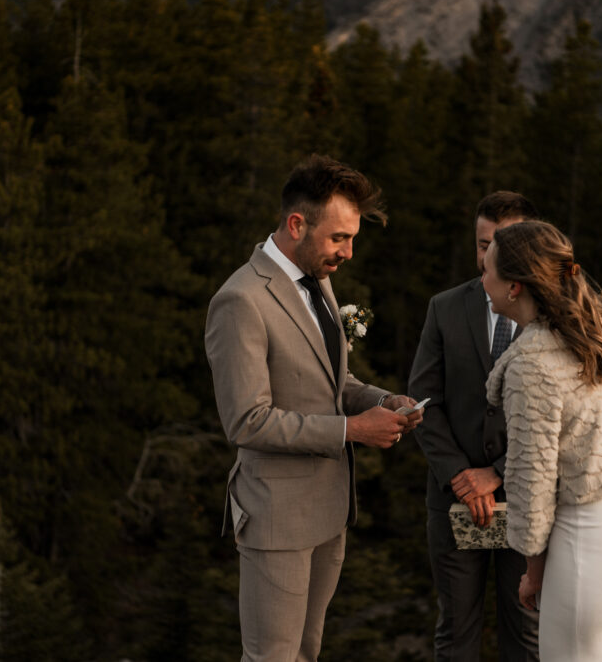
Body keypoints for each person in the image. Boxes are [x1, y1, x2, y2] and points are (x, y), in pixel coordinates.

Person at [205, 154, 423, 662]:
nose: (347, 253)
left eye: (352, 239)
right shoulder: (240, 300)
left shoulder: (317, 277)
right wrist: (352, 430)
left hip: (329, 509)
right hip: (277, 518)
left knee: (307, 653)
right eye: (338, 238)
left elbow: (332, 380)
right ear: (296, 224)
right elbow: (246, 421)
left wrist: (383, 401)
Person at [481, 220, 602, 661]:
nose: (481, 278)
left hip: (588, 550)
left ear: (515, 288)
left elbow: (531, 479)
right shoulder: (600, 333)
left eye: (488, 269)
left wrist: (532, 570)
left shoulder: (530, 366)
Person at [408, 191, 542, 661]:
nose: (488, 257)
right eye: (481, 244)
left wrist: (498, 472)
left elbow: (556, 418)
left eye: (499, 246)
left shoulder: (551, 317)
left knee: (526, 634)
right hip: (453, 499)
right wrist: (463, 479)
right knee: (455, 636)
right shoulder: (445, 308)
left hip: (528, 499)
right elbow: (424, 400)